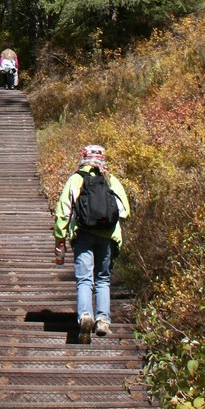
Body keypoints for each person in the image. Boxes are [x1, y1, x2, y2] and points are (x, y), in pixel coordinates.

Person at [53, 144, 130, 343]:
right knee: (103, 278)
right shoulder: (111, 180)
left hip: (83, 235)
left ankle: (85, 316)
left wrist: (60, 241)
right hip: (107, 236)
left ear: (83, 159)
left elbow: (63, 212)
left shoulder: (75, 180)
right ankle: (103, 320)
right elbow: (124, 211)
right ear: (103, 159)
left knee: (84, 279)